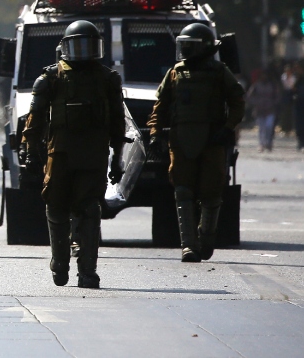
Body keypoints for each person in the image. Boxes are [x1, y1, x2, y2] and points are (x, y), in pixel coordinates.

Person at [21, 21, 124, 289]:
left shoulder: (107, 79)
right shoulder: (50, 78)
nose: (82, 52)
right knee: (55, 207)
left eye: (88, 45)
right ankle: (60, 262)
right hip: (60, 155)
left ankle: (87, 271)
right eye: (77, 45)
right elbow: (34, 122)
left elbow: (118, 123)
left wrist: (119, 157)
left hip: (93, 157)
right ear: (65, 48)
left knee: (90, 210)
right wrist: (31, 153)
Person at [148, 23, 245, 262]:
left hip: (213, 140)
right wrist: (154, 133)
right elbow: (160, 106)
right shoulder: (175, 72)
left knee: (211, 193)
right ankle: (188, 245)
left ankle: (207, 238)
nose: (185, 51)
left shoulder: (220, 72)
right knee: (182, 192)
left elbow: (237, 102)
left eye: (190, 46)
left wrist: (228, 128)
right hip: (181, 141)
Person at [247, 68, 279, 152]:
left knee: (269, 127)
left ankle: (268, 143)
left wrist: (273, 103)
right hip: (259, 110)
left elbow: (277, 97)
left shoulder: (272, 85)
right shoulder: (256, 86)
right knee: (262, 128)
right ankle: (261, 144)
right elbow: (249, 96)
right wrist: (256, 102)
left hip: (270, 110)